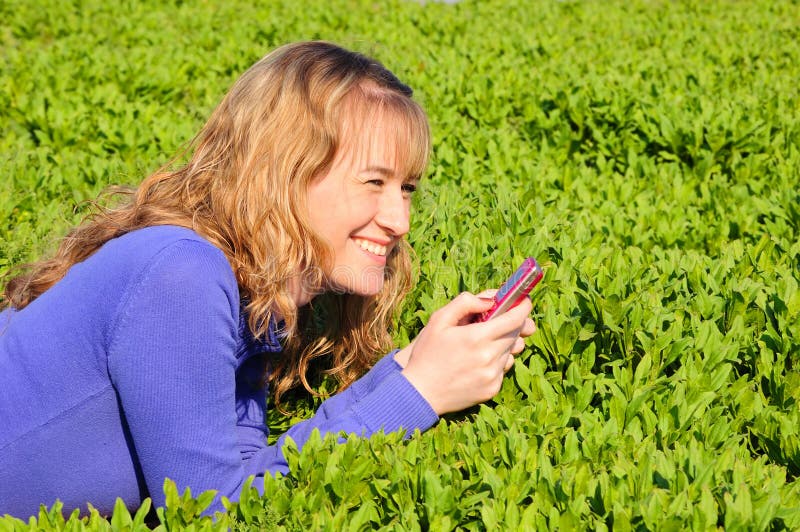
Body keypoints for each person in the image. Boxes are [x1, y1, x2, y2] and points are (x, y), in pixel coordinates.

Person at [0, 41, 535, 518]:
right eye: (374, 181)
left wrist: (409, 370)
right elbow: (210, 513)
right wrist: (421, 392)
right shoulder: (182, 273)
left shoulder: (243, 292)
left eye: (407, 188)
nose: (400, 221)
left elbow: (251, 475)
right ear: (284, 173)